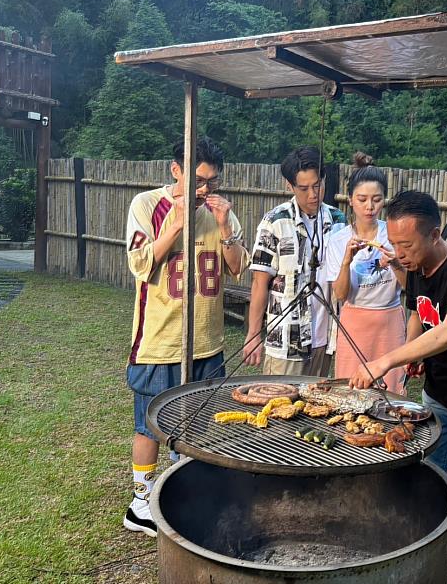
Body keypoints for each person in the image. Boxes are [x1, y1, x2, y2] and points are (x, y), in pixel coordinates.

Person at [349, 191, 447, 584]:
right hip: (437, 394)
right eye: (395, 244)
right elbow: (419, 313)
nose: (399, 253)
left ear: (434, 234)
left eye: (406, 244)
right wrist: (412, 354)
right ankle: (422, 541)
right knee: (426, 471)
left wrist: (388, 359)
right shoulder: (416, 266)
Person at [123, 137, 248, 536]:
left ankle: (184, 490)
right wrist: (177, 221)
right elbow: (140, 263)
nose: (204, 190)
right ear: (176, 170)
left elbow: (236, 268)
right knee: (149, 423)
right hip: (161, 339)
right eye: (197, 180)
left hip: (208, 340)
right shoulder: (146, 205)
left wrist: (226, 226)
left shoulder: (220, 213)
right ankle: (140, 503)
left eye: (211, 182)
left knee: (196, 421)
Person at [244, 146, 346, 375]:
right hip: (286, 340)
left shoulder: (338, 221)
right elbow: (260, 282)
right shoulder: (275, 222)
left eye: (317, 185)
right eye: (304, 188)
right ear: (289, 186)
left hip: (324, 338)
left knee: (315, 407)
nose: (312, 194)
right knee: (278, 406)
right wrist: (252, 335)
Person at [325, 152, 407, 392]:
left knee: (390, 393)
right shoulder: (339, 240)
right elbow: (340, 295)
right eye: (362, 199)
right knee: (351, 390)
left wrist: (395, 264)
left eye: (376, 199)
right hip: (355, 321)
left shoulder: (393, 235)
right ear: (350, 200)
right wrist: (346, 262)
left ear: (384, 200)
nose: (370, 207)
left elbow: (409, 288)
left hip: (389, 320)